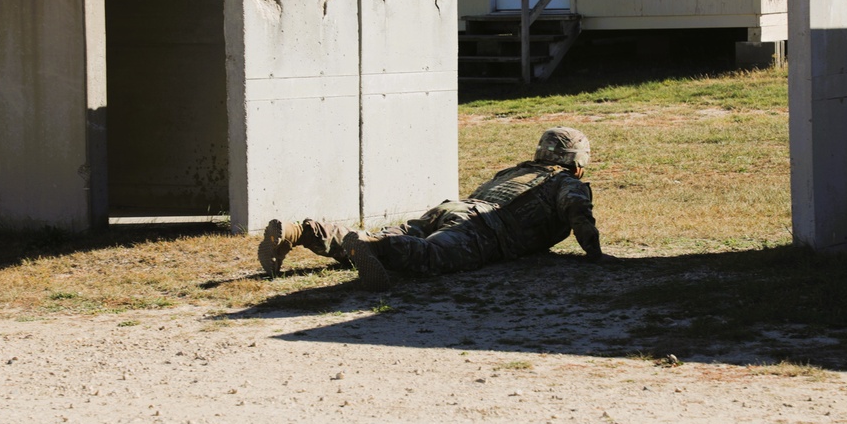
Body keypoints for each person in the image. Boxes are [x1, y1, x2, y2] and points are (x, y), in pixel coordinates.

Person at [258, 127, 610, 289]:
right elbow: (580, 218)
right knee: (429, 257)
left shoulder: (513, 171)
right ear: (577, 162)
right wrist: (595, 255)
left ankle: (301, 230)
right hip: (483, 228)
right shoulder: (566, 183)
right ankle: (369, 248)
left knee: (397, 235)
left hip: (453, 209)